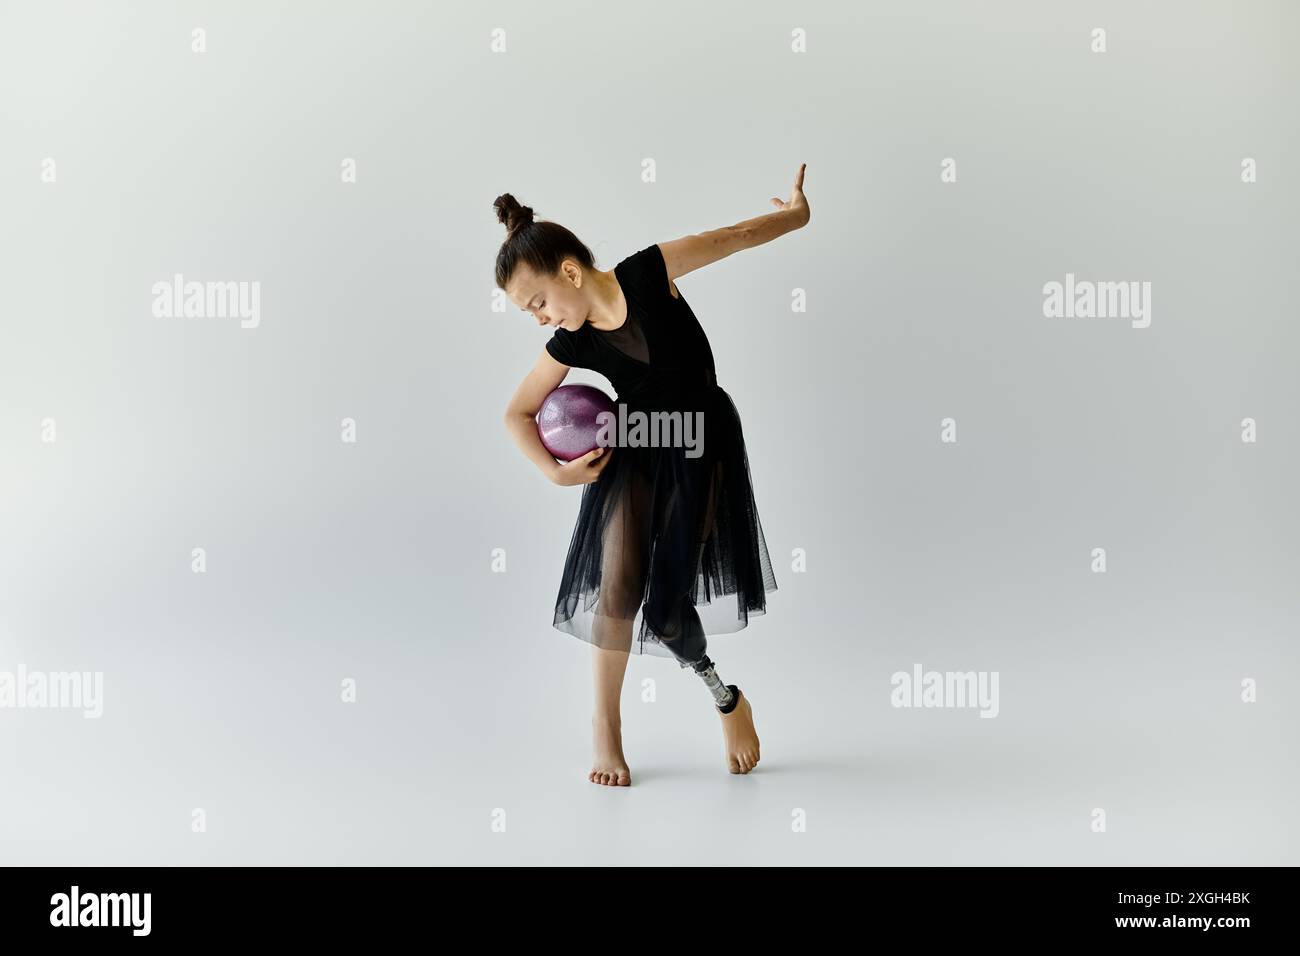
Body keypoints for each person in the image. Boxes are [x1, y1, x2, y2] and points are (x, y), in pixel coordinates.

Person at [499, 164, 810, 785]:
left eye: (537, 303)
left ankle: (726, 698)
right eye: (527, 313)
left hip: (701, 443)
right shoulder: (572, 342)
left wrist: (794, 215)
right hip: (636, 450)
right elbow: (517, 412)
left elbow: (738, 235)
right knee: (617, 587)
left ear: (569, 271)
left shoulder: (649, 272)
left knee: (668, 614)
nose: (537, 318)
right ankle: (606, 729)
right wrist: (557, 475)